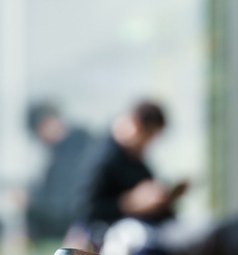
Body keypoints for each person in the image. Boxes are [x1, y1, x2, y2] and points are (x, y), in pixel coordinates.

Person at [79, 100, 188, 240]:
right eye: (149, 137)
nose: (149, 144)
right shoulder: (101, 156)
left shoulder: (136, 159)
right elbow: (86, 210)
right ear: (136, 127)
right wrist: (128, 204)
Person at [24, 101, 96, 243]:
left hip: (78, 226)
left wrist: (32, 201)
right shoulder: (59, 153)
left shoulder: (79, 146)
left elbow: (65, 201)